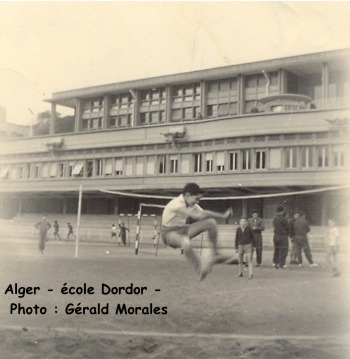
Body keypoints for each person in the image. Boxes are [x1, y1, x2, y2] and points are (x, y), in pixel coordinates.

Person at [161, 182, 233, 281]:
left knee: (211, 223)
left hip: (183, 229)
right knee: (185, 241)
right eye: (196, 199)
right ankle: (199, 268)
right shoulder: (176, 204)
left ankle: (216, 253)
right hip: (168, 233)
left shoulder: (190, 203)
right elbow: (198, 216)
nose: (197, 202)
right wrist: (222, 215)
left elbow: (204, 213)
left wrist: (222, 216)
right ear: (187, 195)